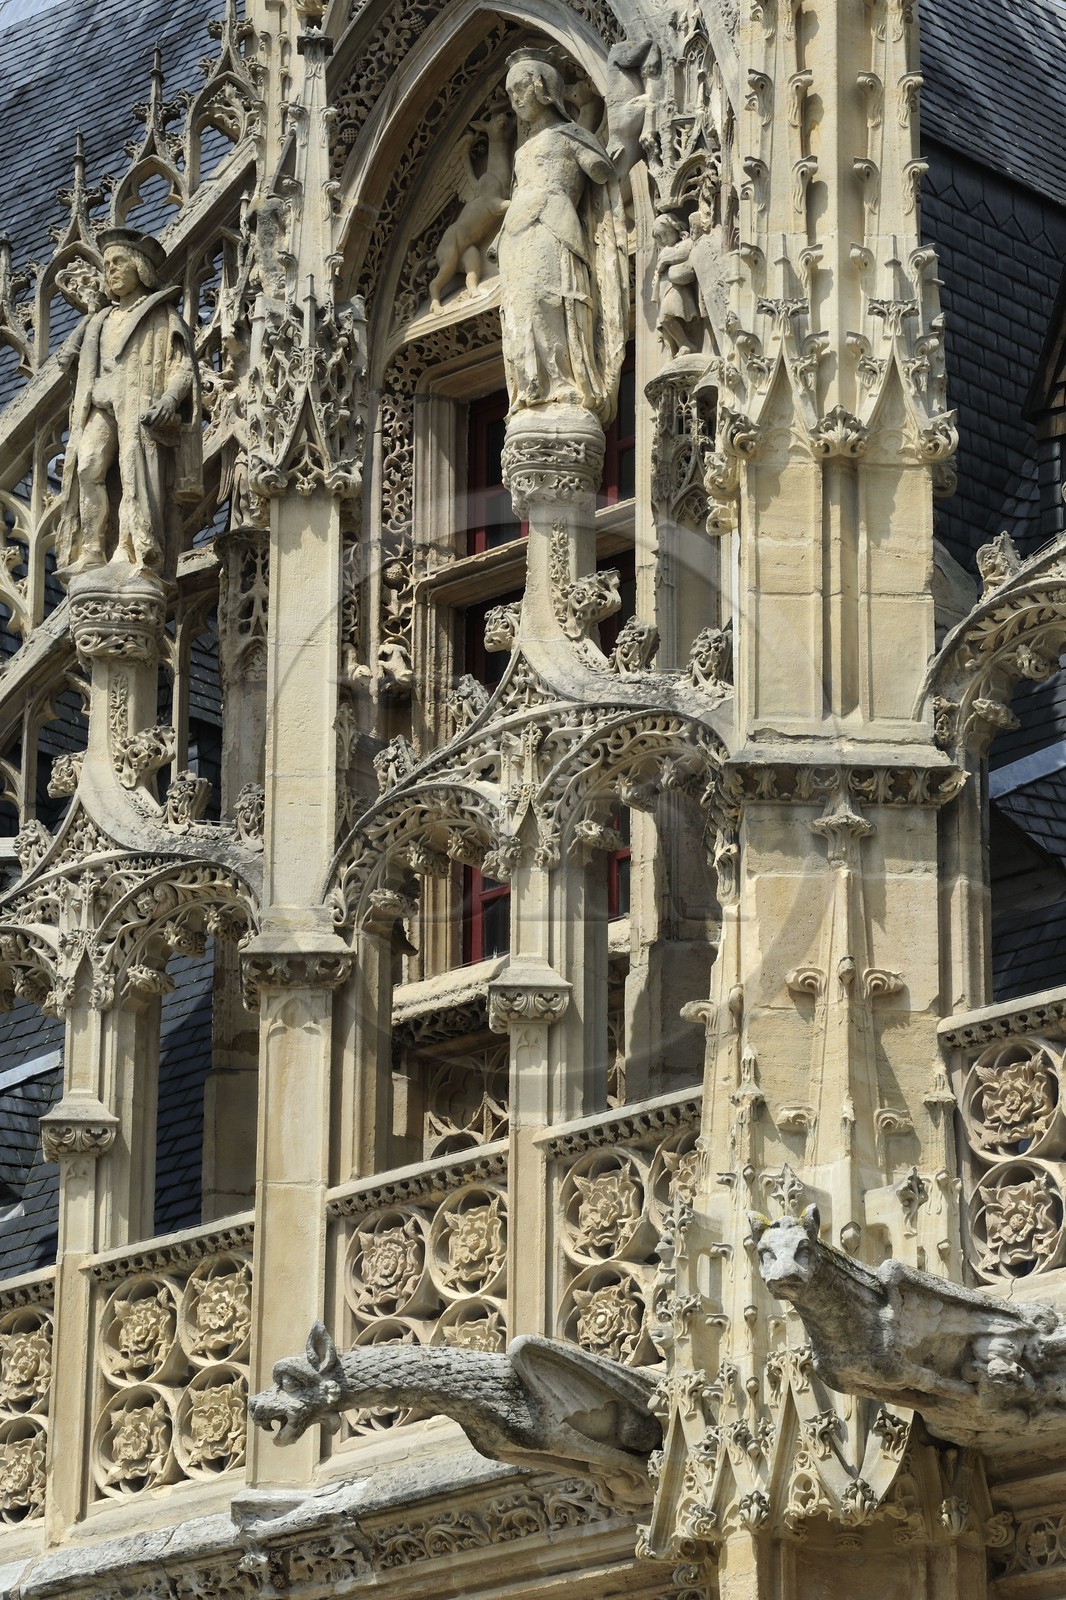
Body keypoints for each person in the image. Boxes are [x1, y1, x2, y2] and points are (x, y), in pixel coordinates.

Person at [57, 227, 202, 580]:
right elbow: (69, 362)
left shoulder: (162, 316)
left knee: (133, 473)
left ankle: (128, 547)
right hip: (101, 404)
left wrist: (169, 399)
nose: (111, 270)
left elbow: (182, 366)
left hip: (137, 408)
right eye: (107, 264)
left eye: (119, 262)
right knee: (88, 466)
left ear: (140, 268)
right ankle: (92, 548)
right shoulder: (100, 319)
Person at [496, 50, 628, 425]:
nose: (516, 99)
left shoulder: (571, 135)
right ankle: (530, 385)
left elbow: (602, 172)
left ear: (542, 89)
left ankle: (564, 380)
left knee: (551, 297)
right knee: (522, 307)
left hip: (553, 222)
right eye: (510, 93)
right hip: (517, 232)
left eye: (521, 88)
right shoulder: (521, 152)